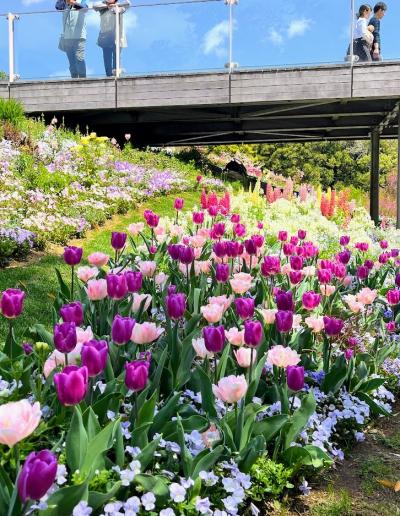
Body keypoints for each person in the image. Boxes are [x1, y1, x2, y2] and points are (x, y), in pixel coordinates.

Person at [94, 0, 130, 77]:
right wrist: (107, 6)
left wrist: (114, 6)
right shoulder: (102, 6)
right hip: (105, 37)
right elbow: (95, 6)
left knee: (117, 58)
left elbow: (128, 3)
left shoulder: (120, 6)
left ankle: (116, 75)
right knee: (107, 59)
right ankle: (109, 76)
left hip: (117, 37)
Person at [56, 0, 88, 78]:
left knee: (79, 60)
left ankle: (83, 80)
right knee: (72, 63)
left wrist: (73, 3)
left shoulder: (81, 1)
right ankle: (74, 81)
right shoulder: (64, 2)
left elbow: (85, 9)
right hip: (67, 37)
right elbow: (58, 7)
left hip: (79, 36)